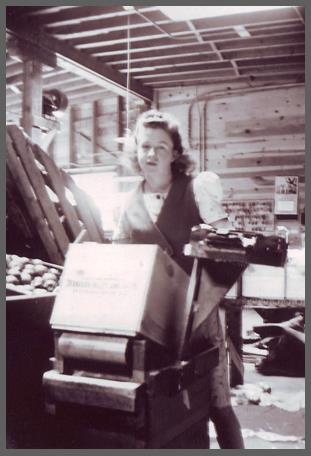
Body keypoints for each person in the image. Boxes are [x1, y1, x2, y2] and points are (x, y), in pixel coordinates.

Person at [113, 109, 244, 449]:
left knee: (218, 405)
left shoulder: (196, 190)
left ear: (175, 153)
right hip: (153, 323)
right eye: (144, 146)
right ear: (135, 152)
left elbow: (230, 244)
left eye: (160, 146)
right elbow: (120, 262)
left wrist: (210, 242)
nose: (151, 154)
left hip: (199, 319)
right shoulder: (126, 205)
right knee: (168, 405)